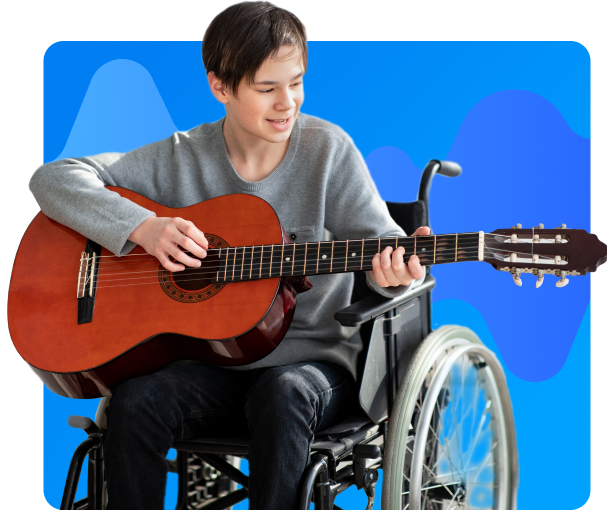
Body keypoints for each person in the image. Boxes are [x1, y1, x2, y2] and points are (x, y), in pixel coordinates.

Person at [32, 2, 429, 509]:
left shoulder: (330, 152)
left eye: (297, 83)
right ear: (221, 86)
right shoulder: (179, 157)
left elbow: (389, 253)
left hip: (313, 365)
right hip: (209, 364)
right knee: (135, 401)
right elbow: (52, 179)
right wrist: (144, 228)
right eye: (267, 88)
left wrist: (396, 277)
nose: (288, 103)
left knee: (282, 394)